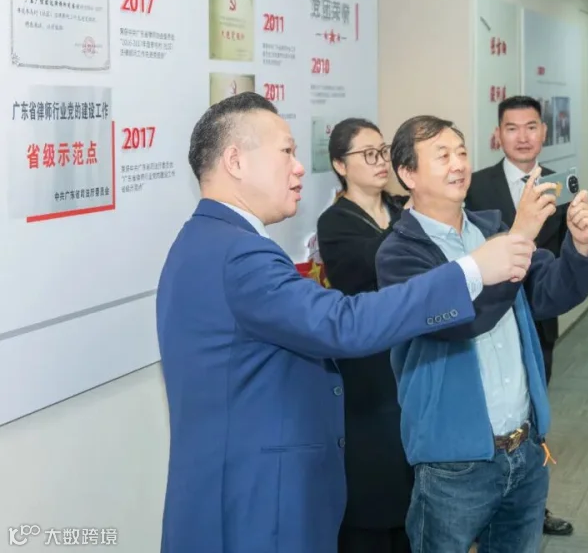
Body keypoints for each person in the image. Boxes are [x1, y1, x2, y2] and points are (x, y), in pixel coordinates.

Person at [155, 93, 538, 553]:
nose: (299, 167)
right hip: (256, 501)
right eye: (286, 152)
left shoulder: (202, 239)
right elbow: (343, 324)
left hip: (237, 488)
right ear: (235, 161)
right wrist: (470, 271)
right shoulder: (239, 254)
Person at [374, 115, 588, 552]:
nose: (459, 164)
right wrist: (521, 235)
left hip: (525, 448)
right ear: (408, 174)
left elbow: (550, 293)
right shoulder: (399, 254)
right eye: (442, 155)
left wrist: (579, 246)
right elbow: (464, 321)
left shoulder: (491, 229)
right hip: (453, 463)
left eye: (461, 152)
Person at [465, 95, 574, 536]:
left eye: (531, 127)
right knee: (491, 412)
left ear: (544, 132)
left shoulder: (561, 186)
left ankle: (532, 505)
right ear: (498, 135)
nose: (523, 137)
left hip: (538, 321)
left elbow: (563, 260)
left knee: (534, 412)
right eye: (512, 128)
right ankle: (481, 510)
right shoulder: (474, 185)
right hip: (485, 320)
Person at [316, 118, 413, 553]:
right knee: (374, 479)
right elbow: (375, 262)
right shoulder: (334, 222)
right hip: (367, 365)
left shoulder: (401, 208)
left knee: (413, 477)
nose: (381, 161)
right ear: (341, 165)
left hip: (411, 352)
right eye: (368, 154)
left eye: (384, 151)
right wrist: (416, 219)